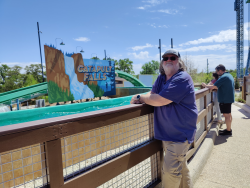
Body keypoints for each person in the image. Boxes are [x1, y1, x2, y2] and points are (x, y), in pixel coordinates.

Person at [130, 49, 198, 188]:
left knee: (170, 173)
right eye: (165, 58)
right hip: (167, 135)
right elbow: (152, 93)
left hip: (180, 135)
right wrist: (143, 97)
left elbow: (160, 100)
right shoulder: (161, 78)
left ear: (178, 62)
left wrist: (139, 98)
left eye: (172, 58)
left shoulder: (182, 78)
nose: (168, 60)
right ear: (162, 62)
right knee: (181, 169)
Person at [202, 64, 234, 135]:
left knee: (227, 115)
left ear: (220, 71)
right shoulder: (229, 75)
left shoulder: (223, 77)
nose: (216, 73)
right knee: (229, 114)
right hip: (228, 98)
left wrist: (205, 85)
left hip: (225, 99)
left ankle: (228, 131)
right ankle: (229, 129)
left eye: (217, 71)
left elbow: (214, 87)